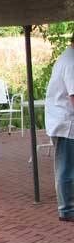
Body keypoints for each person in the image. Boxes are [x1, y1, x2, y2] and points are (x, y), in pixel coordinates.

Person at [44, 33, 74, 222]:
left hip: (63, 121)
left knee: (68, 166)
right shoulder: (71, 61)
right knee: (66, 167)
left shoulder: (67, 57)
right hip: (65, 123)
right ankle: (67, 209)